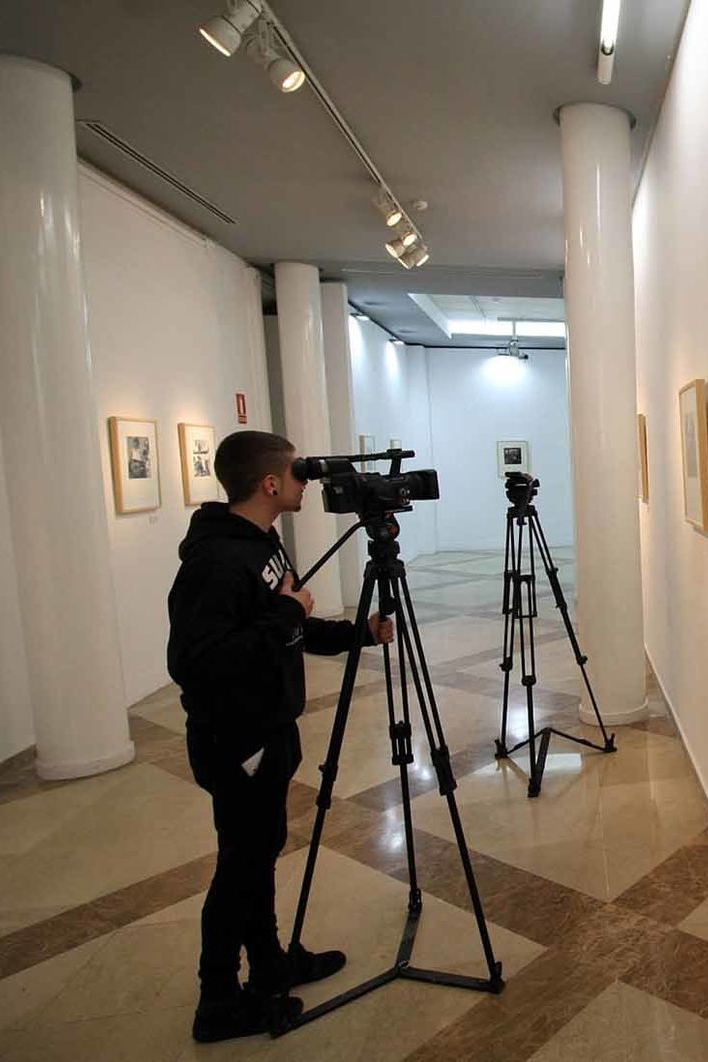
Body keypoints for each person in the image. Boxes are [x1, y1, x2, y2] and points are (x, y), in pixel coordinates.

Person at [167, 430, 395, 1042]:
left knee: (258, 854)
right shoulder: (216, 561)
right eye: (298, 472)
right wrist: (289, 615)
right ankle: (218, 1000)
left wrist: (358, 633)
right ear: (270, 483)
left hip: (268, 727)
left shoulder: (262, 542)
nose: (307, 482)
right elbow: (196, 662)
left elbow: (287, 621)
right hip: (235, 739)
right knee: (240, 866)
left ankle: (268, 963)